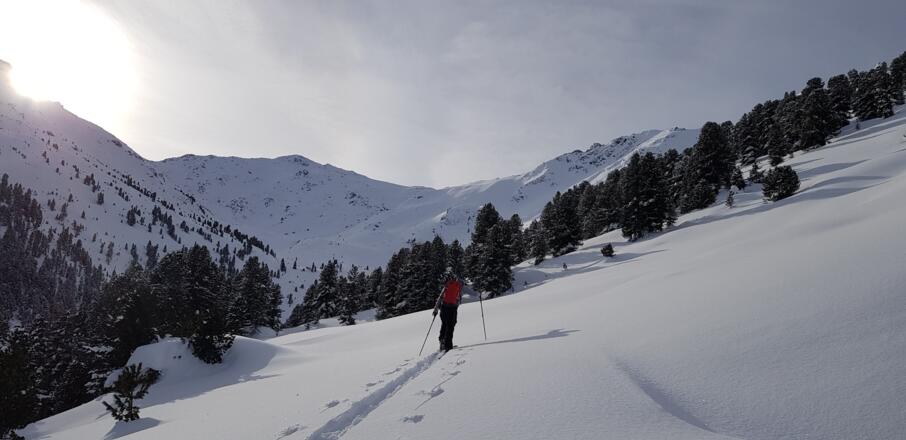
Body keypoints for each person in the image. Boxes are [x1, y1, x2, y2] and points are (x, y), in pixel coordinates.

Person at [433, 270, 463, 352]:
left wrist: (436, 309)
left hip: (444, 307)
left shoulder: (447, 286)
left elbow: (440, 298)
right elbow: (458, 298)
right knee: (450, 326)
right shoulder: (458, 285)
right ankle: (448, 345)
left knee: (445, 324)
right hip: (452, 308)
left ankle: (442, 341)